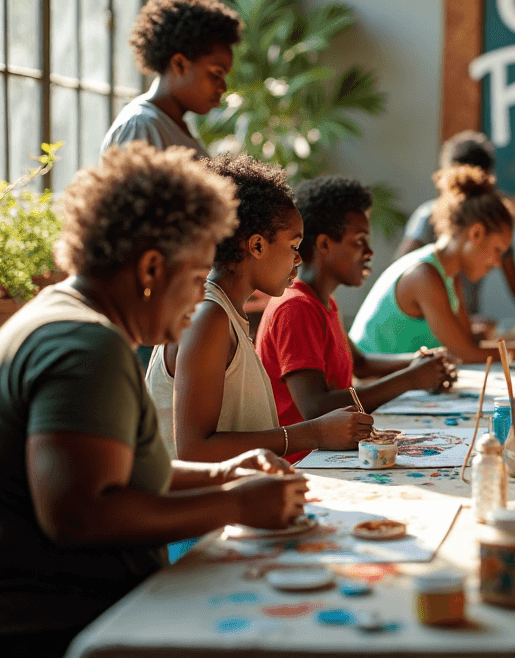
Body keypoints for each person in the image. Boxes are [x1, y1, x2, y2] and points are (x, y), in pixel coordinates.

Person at [0, 144, 305, 657]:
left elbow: (115, 473)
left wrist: (225, 473)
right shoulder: (84, 345)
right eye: (197, 280)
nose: (199, 301)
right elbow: (80, 514)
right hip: (17, 632)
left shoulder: (70, 319)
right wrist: (237, 502)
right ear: (151, 268)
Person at [146, 155, 375, 463]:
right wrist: (315, 433)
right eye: (293, 246)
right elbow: (194, 450)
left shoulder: (225, 314)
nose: (298, 259)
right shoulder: (207, 316)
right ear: (256, 246)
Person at [257, 176, 456, 446]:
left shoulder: (324, 302)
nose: (369, 252)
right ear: (325, 244)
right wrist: (411, 379)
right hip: (302, 459)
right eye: (359, 241)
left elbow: (360, 364)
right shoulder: (296, 308)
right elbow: (315, 407)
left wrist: (421, 362)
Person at [350, 165, 515, 362]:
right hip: (365, 392)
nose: (496, 263)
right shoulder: (424, 275)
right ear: (475, 233)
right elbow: (464, 354)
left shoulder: (450, 277)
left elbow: (466, 344)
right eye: (497, 251)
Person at [396, 131, 515, 330]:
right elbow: (400, 275)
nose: (495, 262)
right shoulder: (427, 221)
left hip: (465, 324)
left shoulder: (493, 225)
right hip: (435, 328)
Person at [101, 0, 241, 158]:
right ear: (180, 64)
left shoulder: (172, 127)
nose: (223, 88)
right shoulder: (141, 126)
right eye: (217, 74)